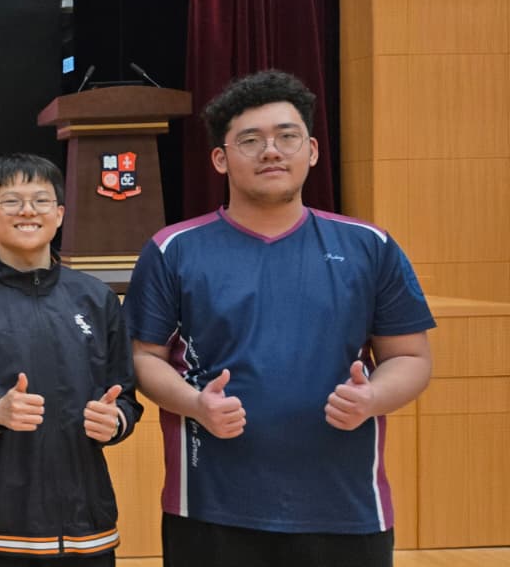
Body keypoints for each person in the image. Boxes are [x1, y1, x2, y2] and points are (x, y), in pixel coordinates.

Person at [124, 70, 435, 567]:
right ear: (221, 159)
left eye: (286, 137)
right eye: (250, 140)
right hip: (210, 506)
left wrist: (373, 397)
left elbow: (411, 357)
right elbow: (144, 359)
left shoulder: (369, 246)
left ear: (311, 151)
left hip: (345, 506)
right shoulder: (173, 249)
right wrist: (196, 404)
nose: (271, 151)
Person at [0, 153, 141, 566]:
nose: (27, 211)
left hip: (87, 524)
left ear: (60, 214)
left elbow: (125, 396)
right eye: (12, 201)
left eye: (41, 200)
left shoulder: (96, 298)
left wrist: (116, 421)